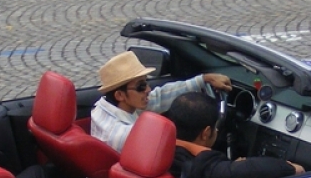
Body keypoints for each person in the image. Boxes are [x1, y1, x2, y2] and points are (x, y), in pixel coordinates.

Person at [90, 52, 232, 153]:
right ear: (120, 95)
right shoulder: (122, 135)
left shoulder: (111, 106)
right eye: (141, 86)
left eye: (146, 83)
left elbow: (159, 97)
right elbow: (170, 145)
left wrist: (203, 79)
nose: (148, 89)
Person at [165, 93, 303, 178]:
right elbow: (251, 170)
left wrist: (229, 167)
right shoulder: (201, 169)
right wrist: (290, 168)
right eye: (216, 127)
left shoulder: (155, 150)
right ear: (206, 133)